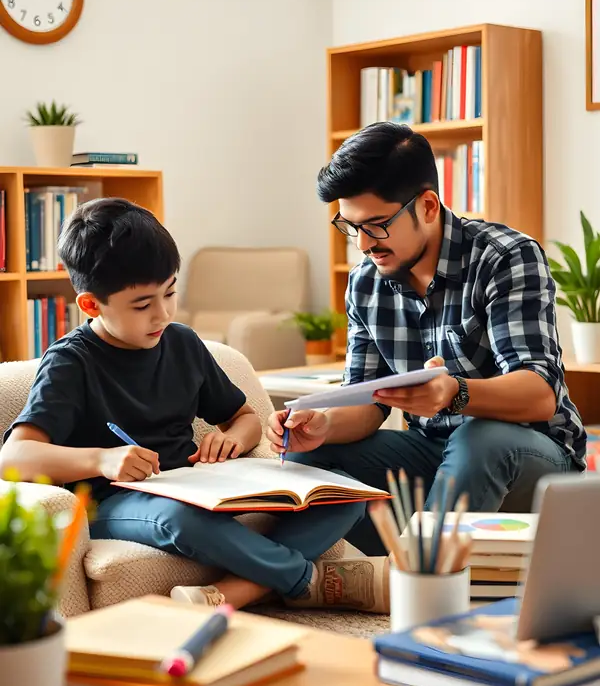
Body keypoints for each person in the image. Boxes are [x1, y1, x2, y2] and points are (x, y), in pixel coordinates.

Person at [0, 198, 390, 612]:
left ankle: (238, 591)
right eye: (143, 304)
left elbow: (244, 419)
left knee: (345, 492)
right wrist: (102, 460)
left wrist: (234, 440)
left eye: (169, 293)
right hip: (117, 502)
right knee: (180, 520)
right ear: (92, 305)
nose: (163, 313)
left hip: (197, 489)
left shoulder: (182, 342)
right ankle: (307, 581)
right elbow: (15, 457)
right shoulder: (70, 362)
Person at [267, 123, 586, 555]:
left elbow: (540, 393)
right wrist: (323, 425)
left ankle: (418, 577)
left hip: (530, 458)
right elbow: (368, 404)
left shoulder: (506, 257)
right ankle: (352, 568)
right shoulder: (365, 283)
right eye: (350, 225)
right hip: (433, 456)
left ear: (429, 206)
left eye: (377, 225)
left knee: (480, 438)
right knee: (311, 458)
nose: (363, 244)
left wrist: (455, 393)